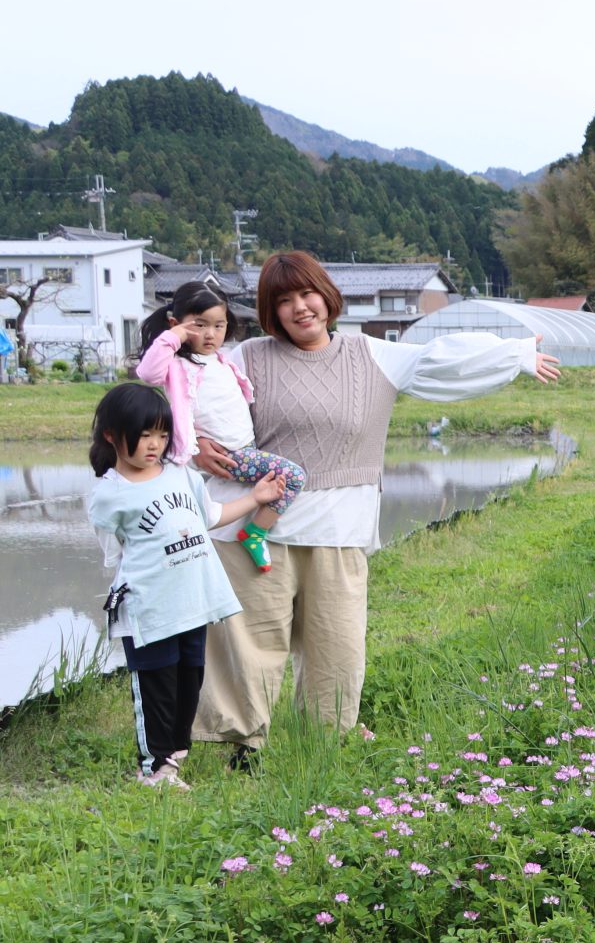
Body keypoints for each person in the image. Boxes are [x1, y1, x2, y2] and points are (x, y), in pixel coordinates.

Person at [190, 252, 561, 760]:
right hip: (258, 525)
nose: (300, 308)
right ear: (269, 311)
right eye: (283, 301)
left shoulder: (372, 355)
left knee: (336, 645)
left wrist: (513, 354)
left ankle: (324, 742)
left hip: (340, 526)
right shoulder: (244, 358)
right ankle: (244, 744)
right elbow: (184, 394)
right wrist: (188, 447)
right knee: (251, 642)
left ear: (327, 295)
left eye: (307, 294)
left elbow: (441, 358)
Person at [86, 383, 290, 786]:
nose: (154, 445)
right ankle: (155, 768)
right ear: (111, 434)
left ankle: (174, 756)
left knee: (188, 679)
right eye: (144, 435)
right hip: (151, 606)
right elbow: (116, 554)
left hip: (193, 601)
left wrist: (257, 497)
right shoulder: (109, 495)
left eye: (162, 435)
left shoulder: (181, 474)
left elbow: (209, 516)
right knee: (155, 685)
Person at [136, 280, 307, 571]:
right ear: (176, 323)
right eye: (199, 325)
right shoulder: (178, 366)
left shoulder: (220, 360)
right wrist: (173, 336)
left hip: (244, 447)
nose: (210, 334)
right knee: (294, 476)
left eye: (219, 326)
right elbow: (147, 373)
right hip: (230, 454)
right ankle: (255, 532)